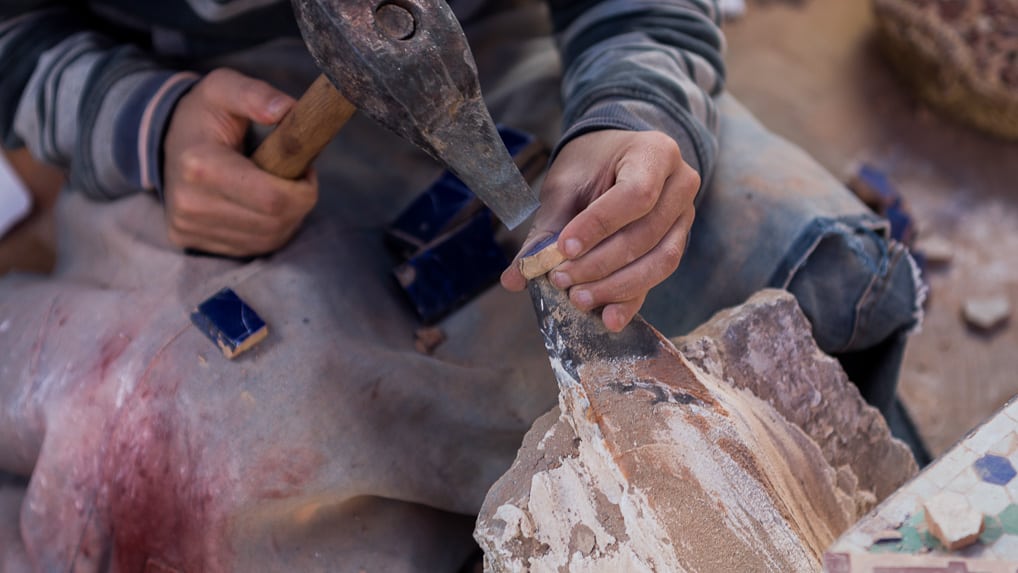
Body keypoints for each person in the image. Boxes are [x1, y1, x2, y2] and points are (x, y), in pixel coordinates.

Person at [0, 0, 924, 571]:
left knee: (804, 260)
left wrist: (637, 110)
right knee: (203, 457)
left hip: (491, 54)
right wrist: (141, 120)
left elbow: (645, 10)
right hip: (195, 114)